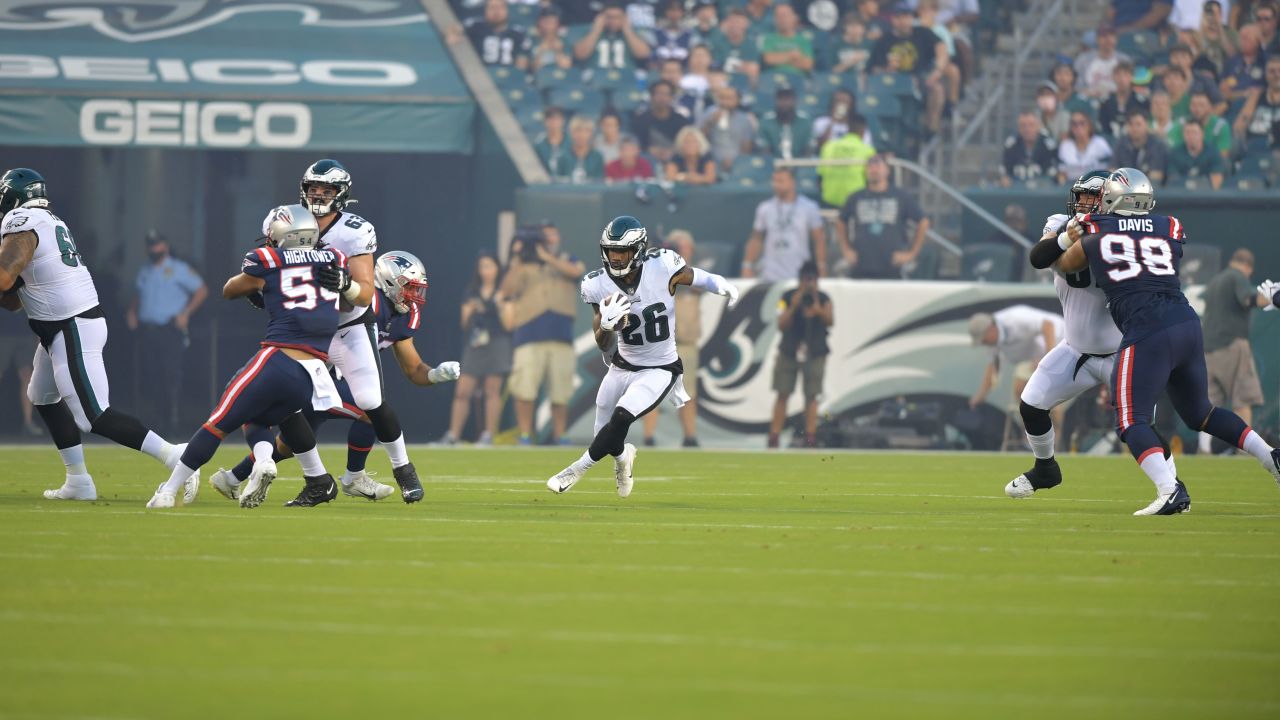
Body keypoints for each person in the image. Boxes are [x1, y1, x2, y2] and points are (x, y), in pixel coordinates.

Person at [1054, 168, 1280, 514]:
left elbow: (1063, 266)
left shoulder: (1097, 229)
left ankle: (1169, 489)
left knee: (1131, 420)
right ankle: (1271, 457)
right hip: (1186, 322)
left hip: (1147, 328)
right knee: (1201, 412)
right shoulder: (1168, 226)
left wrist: (1065, 240)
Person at [0, 168, 197, 503]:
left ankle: (177, 456)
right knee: (42, 396)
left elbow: (4, 278)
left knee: (94, 416)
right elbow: (14, 299)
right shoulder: (48, 221)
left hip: (72, 325)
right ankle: (78, 481)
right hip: (60, 326)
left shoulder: (21, 221)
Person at [209, 250, 460, 503]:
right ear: (388, 281)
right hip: (316, 373)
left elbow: (414, 369)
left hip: (334, 378)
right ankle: (355, 477)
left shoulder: (404, 316)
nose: (414, 296)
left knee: (288, 444)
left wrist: (436, 374)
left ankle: (231, 478)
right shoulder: (359, 301)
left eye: (417, 290)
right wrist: (264, 293)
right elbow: (305, 296)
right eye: (409, 287)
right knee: (370, 411)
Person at [149, 206, 345, 508]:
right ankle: (264, 461)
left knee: (218, 423)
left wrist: (260, 285)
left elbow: (230, 289)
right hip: (312, 372)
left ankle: (167, 491)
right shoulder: (335, 260)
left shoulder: (267, 259)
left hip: (278, 359)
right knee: (260, 417)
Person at [545, 216, 739, 495]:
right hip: (622, 366)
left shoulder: (662, 266)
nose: (616, 257)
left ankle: (576, 469)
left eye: (622, 251)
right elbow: (603, 344)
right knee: (606, 435)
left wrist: (720, 284)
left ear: (637, 250)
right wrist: (607, 326)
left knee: (622, 418)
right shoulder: (596, 285)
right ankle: (623, 458)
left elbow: (695, 276)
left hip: (660, 367)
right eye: (611, 251)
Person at [1009, 170, 1172, 498]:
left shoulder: (1119, 233)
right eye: (1080, 196)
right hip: (1076, 348)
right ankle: (1046, 469)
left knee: (1140, 425)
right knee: (1031, 405)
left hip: (1121, 350)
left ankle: (1171, 486)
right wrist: (1067, 237)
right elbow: (1039, 257)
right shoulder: (1060, 222)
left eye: (1091, 197)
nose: (1083, 203)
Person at [279, 159, 424, 502]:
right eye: (313, 188)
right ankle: (315, 480)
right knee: (284, 404)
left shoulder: (354, 230)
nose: (318, 194)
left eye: (326, 190)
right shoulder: (286, 220)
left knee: (370, 400)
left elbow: (365, 294)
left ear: (340, 194)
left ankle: (403, 467)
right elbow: (274, 273)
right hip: (302, 328)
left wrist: (344, 285)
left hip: (347, 326)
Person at [502, 222, 585, 445]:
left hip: (561, 335)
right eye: (544, 236)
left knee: (561, 391)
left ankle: (560, 434)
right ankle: (526, 433)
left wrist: (547, 257)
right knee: (525, 388)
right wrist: (518, 259)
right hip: (528, 334)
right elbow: (507, 290)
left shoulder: (568, 259)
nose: (549, 240)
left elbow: (577, 273)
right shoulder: (524, 264)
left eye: (552, 235)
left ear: (558, 238)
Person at [125, 229, 207, 434]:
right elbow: (138, 294)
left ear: (165, 246)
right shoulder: (145, 270)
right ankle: (157, 418)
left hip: (169, 330)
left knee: (170, 375)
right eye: (150, 245)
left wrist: (186, 313)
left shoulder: (179, 269)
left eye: (157, 244)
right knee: (151, 375)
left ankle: (172, 420)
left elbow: (201, 290)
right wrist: (132, 312)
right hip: (148, 330)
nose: (153, 248)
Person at [1199, 249, 1269, 452]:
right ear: (1248, 268)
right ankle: (1245, 451)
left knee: (1209, 408)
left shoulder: (1216, 280)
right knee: (1242, 399)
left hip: (1208, 349)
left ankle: (1204, 451)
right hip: (1231, 345)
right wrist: (1272, 297)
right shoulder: (1237, 276)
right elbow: (1249, 299)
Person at [641, 230, 703, 447]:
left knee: (688, 393)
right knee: (652, 391)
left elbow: (696, 285)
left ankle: (690, 436)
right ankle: (648, 436)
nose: (681, 249)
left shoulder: (693, 272)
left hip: (685, 341)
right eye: (678, 246)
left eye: (684, 246)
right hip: (659, 342)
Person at [443, 253, 512, 446]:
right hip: (475, 344)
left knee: (492, 391)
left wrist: (499, 305)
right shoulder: (471, 291)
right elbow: (463, 323)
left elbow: (509, 324)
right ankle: (453, 435)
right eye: (483, 266)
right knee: (462, 391)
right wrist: (471, 309)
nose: (486, 271)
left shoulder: (504, 291)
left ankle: (488, 435)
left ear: (498, 268)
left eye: (490, 266)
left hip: (497, 343)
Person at [768, 261, 833, 449]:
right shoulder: (786, 297)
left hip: (815, 351)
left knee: (812, 395)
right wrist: (794, 305)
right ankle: (775, 435)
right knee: (783, 392)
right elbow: (781, 323)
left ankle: (810, 435)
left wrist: (818, 309)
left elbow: (830, 320)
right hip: (789, 350)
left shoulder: (823, 298)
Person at [836, 154, 929, 279]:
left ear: (887, 171)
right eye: (870, 166)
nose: (874, 169)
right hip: (861, 265)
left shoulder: (900, 196)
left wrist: (912, 253)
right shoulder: (856, 197)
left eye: (878, 165)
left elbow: (923, 221)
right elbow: (841, 221)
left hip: (892, 267)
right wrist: (846, 250)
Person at [967, 305, 1066, 418]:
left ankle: (1054, 433)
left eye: (983, 339)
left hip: (1059, 342)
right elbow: (993, 368)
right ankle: (1032, 429)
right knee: (1020, 391)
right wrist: (981, 395)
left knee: (1049, 396)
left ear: (991, 328)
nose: (983, 343)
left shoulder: (1015, 318)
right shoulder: (991, 343)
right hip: (1035, 356)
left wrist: (1049, 360)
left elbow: (1048, 325)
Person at [869, 3, 950, 134]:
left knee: (937, 89)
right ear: (893, 20)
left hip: (921, 78)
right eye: (899, 17)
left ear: (912, 18)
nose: (903, 21)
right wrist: (887, 70)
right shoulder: (885, 39)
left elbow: (941, 48)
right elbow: (874, 69)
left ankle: (931, 130)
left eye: (907, 17)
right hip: (894, 82)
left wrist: (938, 71)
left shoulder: (922, 33)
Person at [743, 168, 826, 282]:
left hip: (799, 271)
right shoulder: (765, 208)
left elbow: (819, 239)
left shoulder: (809, 207)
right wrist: (747, 265)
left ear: (792, 182)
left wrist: (821, 265)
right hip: (771, 272)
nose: (776, 185)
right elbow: (757, 238)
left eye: (781, 181)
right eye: (774, 181)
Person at [817, 113, 876, 208]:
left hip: (830, 201)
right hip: (856, 202)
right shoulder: (868, 150)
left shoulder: (828, 146)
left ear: (847, 128)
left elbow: (820, 178)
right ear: (863, 131)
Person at [573, 2, 652, 71]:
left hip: (626, 78)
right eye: (609, 17)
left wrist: (628, 31)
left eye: (617, 17)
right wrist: (596, 31)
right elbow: (580, 55)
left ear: (624, 18)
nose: (613, 21)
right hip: (596, 78)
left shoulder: (635, 32)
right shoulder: (588, 31)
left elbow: (643, 55)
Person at [631, 80, 690, 164]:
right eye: (658, 94)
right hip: (647, 163)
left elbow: (686, 144)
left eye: (666, 94)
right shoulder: (640, 120)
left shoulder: (681, 121)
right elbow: (635, 145)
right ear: (651, 96)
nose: (662, 98)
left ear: (671, 98)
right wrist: (649, 150)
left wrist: (672, 151)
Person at [0, 311, 40, 436]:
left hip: (26, 334)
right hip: (4, 333)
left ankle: (27, 422)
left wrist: (39, 337)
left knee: (27, 377)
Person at [699, 86, 756, 171]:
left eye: (729, 98)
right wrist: (710, 123)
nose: (725, 102)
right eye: (722, 98)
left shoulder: (744, 119)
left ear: (738, 100)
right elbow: (698, 140)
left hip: (737, 165)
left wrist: (737, 163)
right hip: (710, 163)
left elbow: (746, 147)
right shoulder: (708, 114)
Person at [462, 0, 528, 69]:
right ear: (485, 10)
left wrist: (524, 60)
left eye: (500, 7)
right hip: (479, 74)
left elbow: (527, 56)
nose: (496, 12)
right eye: (492, 7)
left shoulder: (518, 33)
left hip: (510, 75)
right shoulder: (475, 27)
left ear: (507, 10)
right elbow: (455, 30)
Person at [705, 8, 761, 87]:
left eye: (738, 22)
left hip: (744, 84)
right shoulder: (717, 42)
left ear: (746, 24)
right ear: (726, 23)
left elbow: (753, 68)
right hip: (721, 83)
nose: (735, 25)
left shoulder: (751, 45)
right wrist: (742, 66)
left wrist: (728, 64)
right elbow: (715, 66)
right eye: (732, 21)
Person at [1233, 54, 1280, 146]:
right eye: (1272, 71)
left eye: (1279, 71)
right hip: (1255, 148)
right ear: (1266, 75)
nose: (1277, 75)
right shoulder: (1256, 97)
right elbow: (1238, 127)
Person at [1114, 108, 1170, 184]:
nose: (1134, 128)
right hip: (1125, 191)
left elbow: (1156, 176)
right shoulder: (1121, 144)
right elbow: (1112, 170)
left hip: (1151, 192)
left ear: (1146, 125)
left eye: (1138, 124)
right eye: (1131, 124)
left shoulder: (1157, 145)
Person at [1002, 110, 1059, 185]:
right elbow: (1005, 173)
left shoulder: (1049, 146)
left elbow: (1054, 174)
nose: (1027, 129)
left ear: (1038, 126)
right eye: (1023, 125)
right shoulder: (1011, 144)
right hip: (1017, 190)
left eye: (1031, 125)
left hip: (1043, 191)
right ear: (1018, 128)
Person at [1169, 90, 1233, 156]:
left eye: (1201, 105)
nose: (1197, 109)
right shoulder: (1181, 124)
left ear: (1210, 107)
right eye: (1194, 105)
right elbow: (1172, 147)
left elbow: (1223, 154)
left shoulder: (1220, 126)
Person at [757, 87, 814, 159]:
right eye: (781, 99)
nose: (784, 103)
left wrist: (800, 166)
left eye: (788, 99)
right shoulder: (766, 121)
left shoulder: (805, 121)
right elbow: (763, 148)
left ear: (795, 101)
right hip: (773, 165)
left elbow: (810, 147)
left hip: (800, 164)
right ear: (776, 101)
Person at [1075, 25, 1131, 99]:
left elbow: (1129, 85)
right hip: (1089, 100)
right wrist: (1089, 93)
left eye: (1112, 36)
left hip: (1116, 101)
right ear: (1097, 39)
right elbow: (1076, 86)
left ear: (1116, 39)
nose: (1108, 39)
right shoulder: (1083, 60)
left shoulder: (1124, 60)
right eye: (1104, 36)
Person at [1167, 119, 1227, 188]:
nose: (1191, 136)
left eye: (1194, 133)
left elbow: (1217, 180)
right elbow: (1173, 180)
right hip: (1182, 194)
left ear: (1202, 134)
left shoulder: (1213, 152)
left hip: (1207, 195)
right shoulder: (1175, 153)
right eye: (1187, 133)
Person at [1098, 61, 1150, 139]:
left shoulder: (1142, 102)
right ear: (1113, 77)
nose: (1122, 79)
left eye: (1125, 75)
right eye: (1118, 75)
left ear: (1131, 77)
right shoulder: (1105, 102)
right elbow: (1102, 126)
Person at [760, 3, 815, 76]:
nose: (782, 19)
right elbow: (769, 59)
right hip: (774, 79)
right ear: (775, 20)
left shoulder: (803, 41)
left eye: (785, 16)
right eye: (779, 16)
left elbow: (808, 65)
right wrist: (792, 56)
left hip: (798, 79)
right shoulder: (769, 39)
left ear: (794, 18)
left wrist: (780, 58)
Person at [1058, 112, 1113, 182]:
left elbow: (1110, 169)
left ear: (1089, 125)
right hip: (1070, 187)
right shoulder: (1065, 146)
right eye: (1074, 124)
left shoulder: (1100, 143)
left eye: (1082, 123)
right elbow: (1061, 173)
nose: (1078, 127)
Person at [1222, 23, 1268, 104]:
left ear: (1257, 41)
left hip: (1258, 104)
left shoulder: (1265, 61)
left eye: (1246, 38)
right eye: (1241, 38)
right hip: (1232, 104)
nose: (1242, 41)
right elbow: (1222, 91)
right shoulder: (1232, 62)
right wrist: (1243, 94)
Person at [525, 5, 572, 72]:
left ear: (558, 24)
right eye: (546, 22)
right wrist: (541, 51)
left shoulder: (564, 41)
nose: (549, 26)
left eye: (552, 22)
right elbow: (534, 69)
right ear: (539, 22)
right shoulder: (533, 40)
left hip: (559, 77)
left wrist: (558, 51)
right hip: (539, 78)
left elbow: (566, 67)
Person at [651, 0, 695, 67]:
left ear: (682, 12)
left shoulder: (689, 34)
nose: (674, 14)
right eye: (671, 10)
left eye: (678, 10)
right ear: (666, 12)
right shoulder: (656, 33)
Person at [564, 115, 606, 183]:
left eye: (586, 131)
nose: (581, 135)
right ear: (571, 133)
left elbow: (599, 183)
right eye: (577, 130)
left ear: (591, 133)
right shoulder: (563, 157)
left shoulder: (598, 157)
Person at [534, 106, 570, 177]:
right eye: (550, 119)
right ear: (545, 122)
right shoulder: (539, 144)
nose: (554, 122)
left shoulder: (572, 142)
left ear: (563, 121)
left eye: (557, 119)